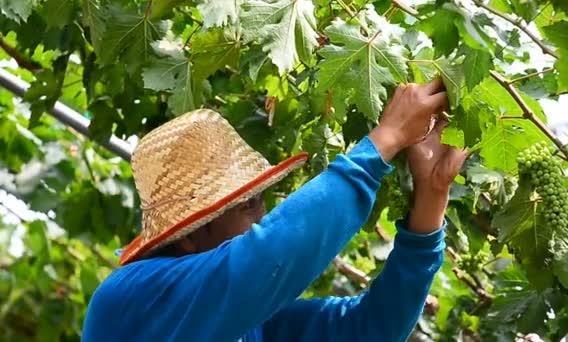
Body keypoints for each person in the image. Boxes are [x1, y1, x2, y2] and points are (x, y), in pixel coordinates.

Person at [82, 79, 467, 342]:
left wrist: (432, 193)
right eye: (248, 206)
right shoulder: (129, 299)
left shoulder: (247, 323)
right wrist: (385, 139)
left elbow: (370, 328)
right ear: (189, 236)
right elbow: (268, 255)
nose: (263, 218)